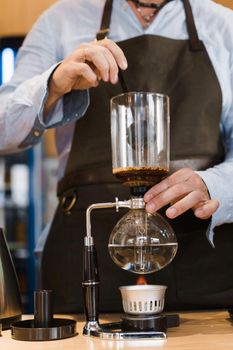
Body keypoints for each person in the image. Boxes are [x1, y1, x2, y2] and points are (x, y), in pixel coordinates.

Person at [0, 0, 233, 313]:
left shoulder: (222, 26)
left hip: (206, 263)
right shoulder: (61, 21)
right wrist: (55, 84)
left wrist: (212, 185)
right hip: (85, 254)